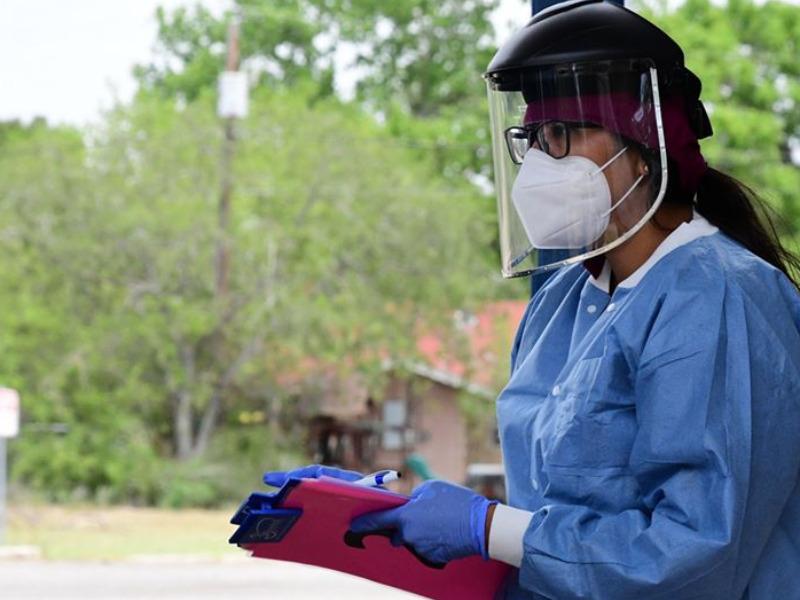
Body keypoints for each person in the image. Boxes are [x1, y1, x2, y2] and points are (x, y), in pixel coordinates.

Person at [264, 1, 800, 597]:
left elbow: (696, 552)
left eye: (562, 135)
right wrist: (396, 510)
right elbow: (553, 508)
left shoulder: (720, 299)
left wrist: (488, 528)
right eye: (533, 139)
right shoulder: (565, 301)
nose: (541, 162)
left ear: (643, 146)